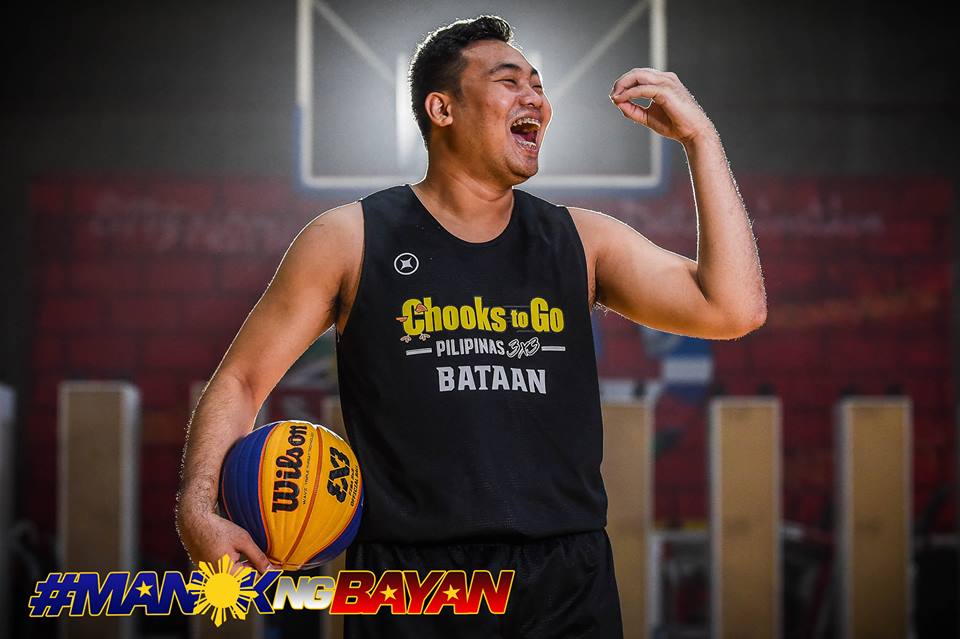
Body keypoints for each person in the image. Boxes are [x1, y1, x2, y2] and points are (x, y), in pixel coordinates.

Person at [177, 14, 766, 638]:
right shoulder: (349, 238)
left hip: (565, 580)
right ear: (443, 109)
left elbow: (734, 308)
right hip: (409, 585)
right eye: (510, 81)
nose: (535, 99)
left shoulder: (582, 240)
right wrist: (198, 509)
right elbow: (241, 380)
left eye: (538, 85)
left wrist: (701, 139)